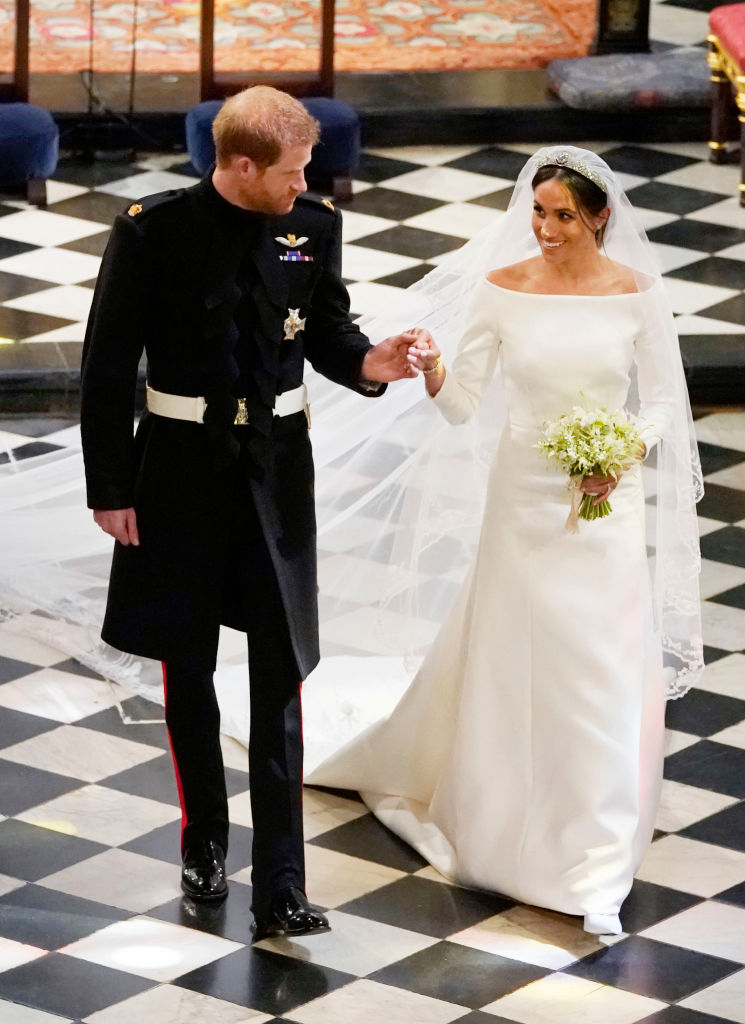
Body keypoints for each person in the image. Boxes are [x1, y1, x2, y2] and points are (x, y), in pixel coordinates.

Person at [299, 147, 704, 937]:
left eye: (560, 216)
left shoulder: (637, 296)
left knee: (599, 663)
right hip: (522, 499)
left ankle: (593, 850)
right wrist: (437, 368)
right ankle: (508, 817)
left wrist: (621, 452)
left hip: (605, 503)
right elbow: (463, 406)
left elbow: (661, 402)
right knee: (522, 656)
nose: (544, 229)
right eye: (538, 213)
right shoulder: (502, 290)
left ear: (599, 219)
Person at [79, 85, 421, 938]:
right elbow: (106, 363)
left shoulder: (314, 228)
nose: (307, 186)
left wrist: (372, 363)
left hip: (277, 477)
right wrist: (111, 488)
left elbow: (329, 331)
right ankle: (203, 845)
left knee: (282, 678)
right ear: (239, 165)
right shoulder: (152, 231)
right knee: (187, 666)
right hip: (178, 475)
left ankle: (284, 884)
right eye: (294, 172)